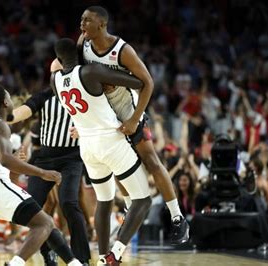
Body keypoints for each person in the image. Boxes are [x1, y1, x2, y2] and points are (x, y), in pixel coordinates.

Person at [52, 5, 189, 245]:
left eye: (87, 21)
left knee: (151, 161)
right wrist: (79, 122)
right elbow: (67, 72)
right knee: (115, 166)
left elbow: (147, 82)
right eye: (81, 20)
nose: (82, 25)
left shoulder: (122, 50)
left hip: (127, 109)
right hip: (104, 116)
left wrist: (135, 118)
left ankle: (178, 217)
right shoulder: (82, 43)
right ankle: (128, 209)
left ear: (102, 24)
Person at [52, 38, 151, 265]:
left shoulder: (54, 80)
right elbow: (137, 82)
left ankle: (103, 257)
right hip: (109, 140)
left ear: (58, 60)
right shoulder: (92, 71)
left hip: (86, 146)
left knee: (104, 201)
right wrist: (110, 80)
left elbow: (63, 70)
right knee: (143, 200)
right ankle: (115, 253)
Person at [0, 85, 83, 266]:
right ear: (5, 102)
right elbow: (6, 160)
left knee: (43, 222)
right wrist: (43, 173)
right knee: (44, 224)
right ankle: (16, 263)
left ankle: (73, 263)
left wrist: (14, 160)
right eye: (10, 98)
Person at [10, 81, 91, 264]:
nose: (59, 77)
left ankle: (82, 258)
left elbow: (98, 117)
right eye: (54, 74)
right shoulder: (44, 96)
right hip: (45, 157)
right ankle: (48, 253)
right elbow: (25, 109)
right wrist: (6, 116)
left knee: (69, 203)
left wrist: (85, 130)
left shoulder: (86, 92)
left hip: (72, 157)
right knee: (33, 207)